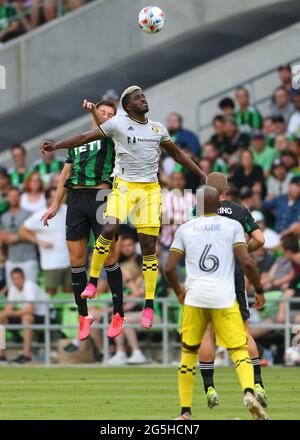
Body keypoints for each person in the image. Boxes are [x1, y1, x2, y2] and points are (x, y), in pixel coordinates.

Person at [41, 85, 206, 330]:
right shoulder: (117, 124)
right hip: (123, 187)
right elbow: (85, 137)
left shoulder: (157, 128)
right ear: (128, 106)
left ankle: (148, 305)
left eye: (143, 96)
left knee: (149, 247)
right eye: (137, 97)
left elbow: (178, 154)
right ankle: (93, 282)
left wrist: (201, 172)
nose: (143, 99)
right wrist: (56, 146)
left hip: (150, 190)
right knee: (108, 231)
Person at [165, 186, 268, 420]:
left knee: (191, 350)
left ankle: (185, 412)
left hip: (195, 295)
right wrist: (259, 289)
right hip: (225, 294)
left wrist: (179, 292)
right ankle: (250, 390)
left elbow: (169, 267)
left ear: (198, 206)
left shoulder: (186, 227)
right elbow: (248, 263)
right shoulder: (232, 225)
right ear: (221, 201)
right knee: (239, 345)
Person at [41, 99, 124, 341]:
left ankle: (118, 313)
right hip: (76, 198)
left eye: (111, 114)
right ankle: (83, 316)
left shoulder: (113, 136)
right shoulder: (77, 142)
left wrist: (95, 113)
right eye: (103, 112)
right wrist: (56, 204)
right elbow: (65, 173)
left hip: (101, 196)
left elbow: (104, 128)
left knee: (109, 255)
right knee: (76, 258)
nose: (106, 117)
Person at [190, 173, 267, 409]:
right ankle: (257, 384)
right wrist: (242, 250)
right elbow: (260, 239)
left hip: (206, 273)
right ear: (227, 189)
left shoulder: (198, 210)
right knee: (244, 330)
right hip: (232, 275)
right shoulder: (239, 210)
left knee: (207, 332)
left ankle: (209, 387)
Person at [19, 187, 72, 295]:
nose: (56, 199)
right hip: (50, 263)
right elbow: (22, 231)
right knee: (51, 293)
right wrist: (38, 242)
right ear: (47, 199)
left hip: (69, 261)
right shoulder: (40, 214)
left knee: (69, 293)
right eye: (52, 197)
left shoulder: (68, 209)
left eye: (57, 196)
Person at [0, 268, 48, 364]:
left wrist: (9, 313)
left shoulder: (30, 286)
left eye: (18, 278)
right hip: (26, 314)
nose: (16, 281)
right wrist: (3, 314)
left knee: (27, 318)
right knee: (1, 319)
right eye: (14, 278)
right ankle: (2, 355)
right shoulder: (13, 288)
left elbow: (30, 309)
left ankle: (26, 355)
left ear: (23, 278)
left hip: (44, 316)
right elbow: (8, 308)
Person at [0, 187, 39, 284]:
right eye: (11, 196)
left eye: (16, 196)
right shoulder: (3, 216)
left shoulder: (29, 214)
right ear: (7, 198)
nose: (13, 198)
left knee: (31, 293)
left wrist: (18, 238)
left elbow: (36, 234)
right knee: (13, 295)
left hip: (29, 259)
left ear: (20, 198)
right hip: (11, 260)